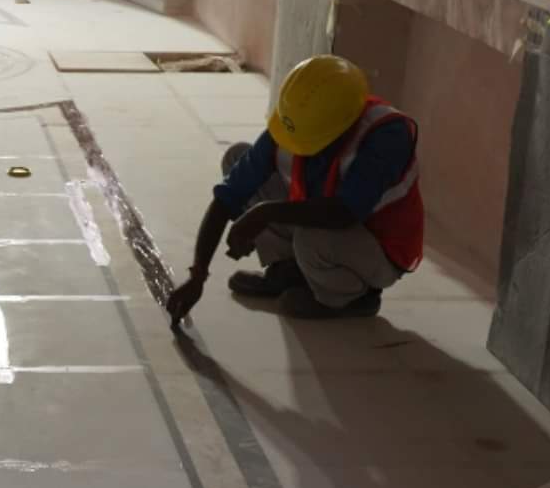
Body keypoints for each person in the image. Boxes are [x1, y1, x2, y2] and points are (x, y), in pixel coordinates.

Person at [165, 54, 423, 325]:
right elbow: (229, 196)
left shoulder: (385, 135)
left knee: (313, 238)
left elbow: (344, 213)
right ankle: (290, 270)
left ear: (341, 126)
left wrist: (263, 214)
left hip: (378, 247)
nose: (295, 145)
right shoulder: (297, 121)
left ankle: (351, 297)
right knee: (237, 158)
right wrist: (198, 275)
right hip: (326, 218)